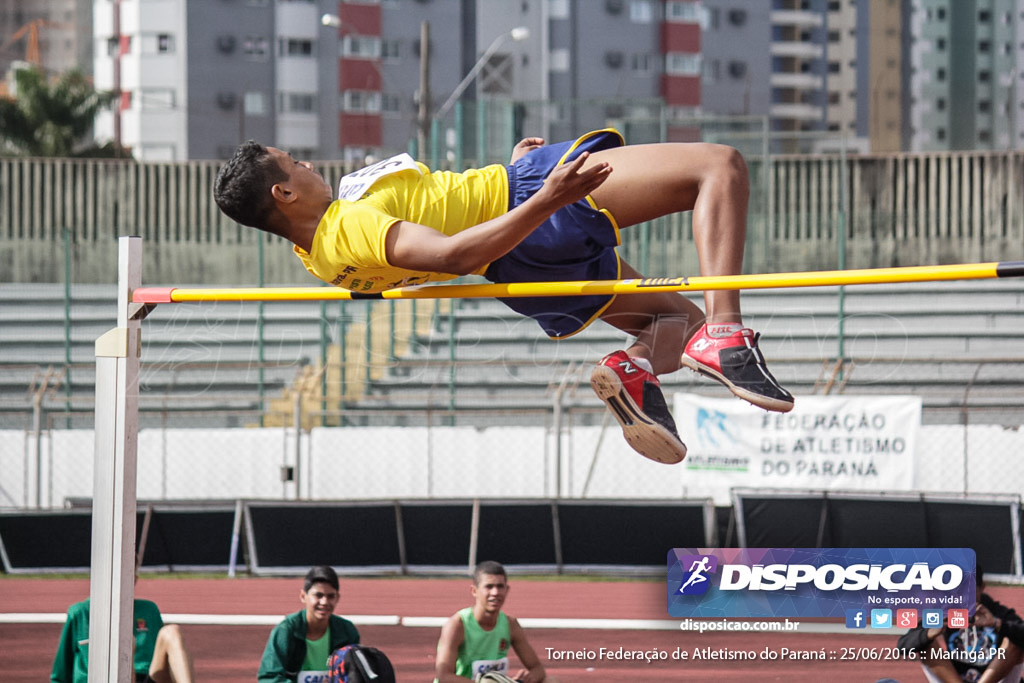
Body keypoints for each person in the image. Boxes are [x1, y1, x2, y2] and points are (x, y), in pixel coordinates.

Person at [213, 129, 794, 465]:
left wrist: (516, 179)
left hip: (514, 254)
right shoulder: (344, 227)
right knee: (718, 167)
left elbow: (441, 221)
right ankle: (730, 336)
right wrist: (543, 192)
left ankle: (634, 366)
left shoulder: (317, 254)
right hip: (525, 209)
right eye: (294, 164)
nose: (308, 162)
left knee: (675, 319)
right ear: (284, 191)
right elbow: (451, 256)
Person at [433, 560, 557, 683]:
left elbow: (538, 669)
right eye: (489, 587)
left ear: (507, 590)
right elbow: (444, 676)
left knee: (552, 681)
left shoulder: (510, 624)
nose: (495, 593)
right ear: (474, 591)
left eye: (500, 586)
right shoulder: (457, 625)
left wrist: (522, 681)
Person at [896, 567, 1024, 682]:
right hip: (955, 679)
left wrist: (997, 624)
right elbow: (903, 646)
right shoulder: (944, 610)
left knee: (1014, 641)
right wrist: (928, 634)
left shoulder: (996, 611)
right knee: (925, 643)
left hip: (994, 679)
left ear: (982, 587)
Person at [50, 596, 194, 683]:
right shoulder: (80, 613)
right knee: (125, 639)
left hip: (147, 677)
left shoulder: (149, 609)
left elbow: (166, 661)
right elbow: (60, 674)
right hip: (107, 678)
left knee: (172, 631)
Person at [257, 564, 360, 682]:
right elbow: (269, 678)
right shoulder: (286, 631)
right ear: (303, 596)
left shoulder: (347, 631)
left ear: (337, 598)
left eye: (330, 596)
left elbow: (355, 675)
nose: (324, 602)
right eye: (318, 595)